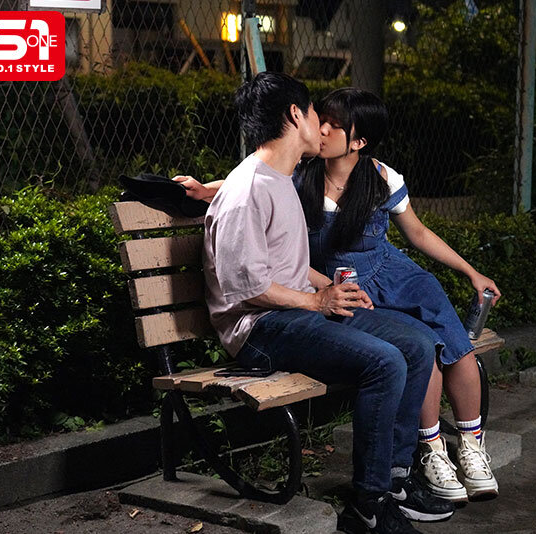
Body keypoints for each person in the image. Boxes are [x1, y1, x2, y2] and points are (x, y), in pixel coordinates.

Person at [178, 87, 503, 503]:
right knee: (410, 349)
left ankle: (468, 448)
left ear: (359, 141)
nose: (323, 129)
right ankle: (426, 454)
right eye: (322, 119)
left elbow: (418, 233)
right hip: (333, 288)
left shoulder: (379, 178)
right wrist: (208, 189)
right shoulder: (301, 175)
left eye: (334, 125)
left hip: (388, 276)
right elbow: (257, 180)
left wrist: (471, 272)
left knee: (451, 344)